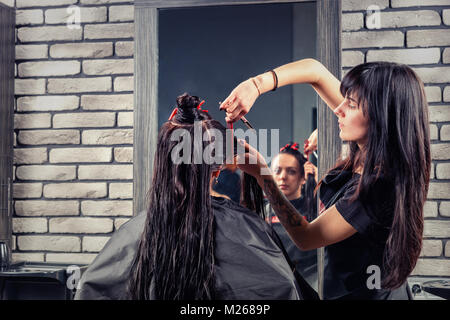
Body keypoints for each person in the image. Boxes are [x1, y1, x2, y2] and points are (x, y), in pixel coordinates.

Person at [220, 59, 430, 300]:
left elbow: (307, 237)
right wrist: (255, 85)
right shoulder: (367, 149)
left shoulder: (380, 187)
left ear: (381, 117)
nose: (339, 109)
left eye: (350, 105)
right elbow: (315, 71)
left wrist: (263, 175)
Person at [75, 93, 318, 300]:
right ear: (217, 168)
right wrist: (262, 173)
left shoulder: (133, 232)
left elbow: (91, 290)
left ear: (162, 162)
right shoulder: (246, 228)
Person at [267, 142, 318, 287]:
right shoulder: (261, 212)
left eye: (291, 171)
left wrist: (320, 177)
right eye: (277, 170)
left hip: (310, 285)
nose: (283, 177)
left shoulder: (316, 210)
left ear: (303, 178)